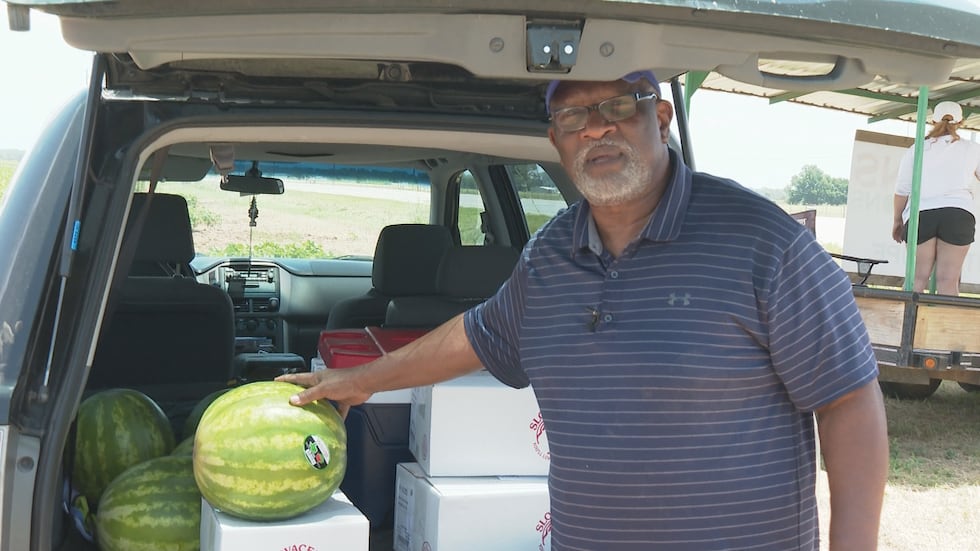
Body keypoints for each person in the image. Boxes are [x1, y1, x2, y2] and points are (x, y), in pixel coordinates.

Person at [279, 71, 888, 550]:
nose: (597, 130)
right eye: (574, 116)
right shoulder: (549, 255)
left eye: (620, 106)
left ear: (662, 115)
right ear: (556, 141)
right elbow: (475, 335)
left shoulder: (763, 242)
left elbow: (848, 401)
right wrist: (358, 381)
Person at [892, 100, 980, 295]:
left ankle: (906, 325)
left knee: (916, 279)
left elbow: (902, 189)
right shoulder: (972, 149)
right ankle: (944, 326)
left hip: (922, 214)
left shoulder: (918, 148)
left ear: (932, 120)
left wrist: (897, 220)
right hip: (959, 213)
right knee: (948, 281)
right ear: (961, 122)